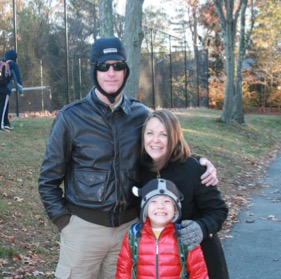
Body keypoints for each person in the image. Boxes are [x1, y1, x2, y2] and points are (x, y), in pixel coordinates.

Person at [38, 37, 218, 279]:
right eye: (103, 66)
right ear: (94, 70)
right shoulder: (71, 118)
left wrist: (199, 161)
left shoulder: (140, 114)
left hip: (128, 231)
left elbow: (162, 146)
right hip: (83, 230)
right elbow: (48, 179)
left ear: (126, 70)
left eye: (118, 66)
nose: (111, 73)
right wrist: (65, 223)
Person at [140, 109, 229, 279]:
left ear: (173, 137)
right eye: (150, 133)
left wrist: (201, 228)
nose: (155, 140)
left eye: (163, 134)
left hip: (199, 260)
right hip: (158, 264)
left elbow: (218, 210)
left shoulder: (193, 169)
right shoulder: (140, 170)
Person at [116, 178, 209, 279]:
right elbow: (123, 269)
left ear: (175, 209)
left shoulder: (186, 234)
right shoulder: (134, 234)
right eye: (154, 201)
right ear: (145, 209)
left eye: (167, 201)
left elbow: (199, 272)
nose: (160, 206)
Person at [0, 49, 23, 131]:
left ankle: (6, 123)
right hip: (5, 89)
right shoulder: (12, 64)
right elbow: (17, 78)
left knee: (4, 106)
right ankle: (1, 125)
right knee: (3, 107)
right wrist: (20, 90)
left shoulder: (2, 64)